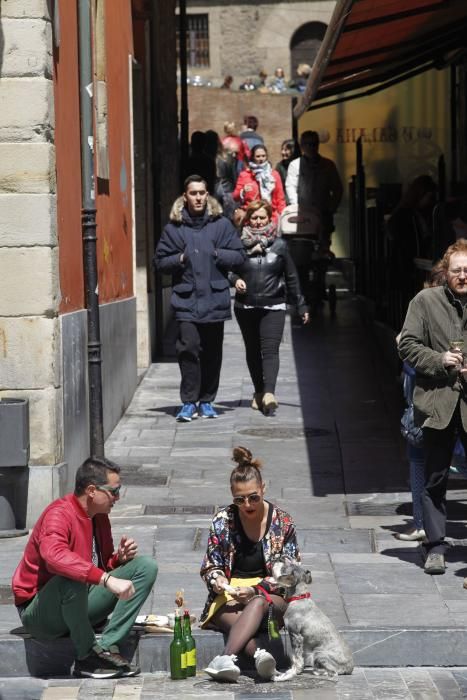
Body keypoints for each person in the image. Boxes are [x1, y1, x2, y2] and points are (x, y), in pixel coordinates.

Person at [11, 457, 158, 679]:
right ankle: (87, 656)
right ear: (91, 490)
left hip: (78, 599)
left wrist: (118, 560)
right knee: (73, 576)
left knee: (145, 566)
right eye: (114, 491)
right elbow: (54, 557)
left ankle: (108, 645)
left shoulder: (99, 517)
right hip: (40, 613)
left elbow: (99, 565)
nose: (117, 498)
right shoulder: (58, 514)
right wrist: (108, 580)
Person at [200, 446, 301, 682]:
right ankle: (259, 655)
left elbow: (289, 575)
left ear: (263, 489)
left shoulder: (283, 522)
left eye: (253, 497)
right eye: (239, 499)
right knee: (234, 618)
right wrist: (218, 581)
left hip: (270, 597)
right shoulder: (222, 521)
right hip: (230, 595)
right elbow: (210, 566)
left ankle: (224, 658)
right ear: (232, 496)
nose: (247, 505)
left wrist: (256, 590)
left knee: (257, 604)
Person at [398, 239, 467, 576]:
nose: (464, 276)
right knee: (435, 478)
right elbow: (407, 345)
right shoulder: (425, 302)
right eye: (457, 270)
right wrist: (440, 360)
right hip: (438, 404)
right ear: (446, 271)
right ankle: (435, 546)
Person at [154, 175, 246, 422]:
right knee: (189, 349)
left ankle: (207, 401)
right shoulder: (174, 228)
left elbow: (239, 256)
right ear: (185, 196)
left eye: (202, 193)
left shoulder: (222, 225)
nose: (198, 197)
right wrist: (180, 259)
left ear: (208, 195)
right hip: (186, 300)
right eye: (193, 193)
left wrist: (217, 253)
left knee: (213, 352)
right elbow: (160, 262)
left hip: (215, 299)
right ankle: (188, 402)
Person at [231, 200, 309, 414]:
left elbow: (291, 277)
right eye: (254, 218)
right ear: (248, 219)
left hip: (274, 305)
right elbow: (227, 269)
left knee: (270, 350)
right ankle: (258, 391)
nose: (257, 222)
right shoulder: (237, 243)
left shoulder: (280, 245)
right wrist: (234, 279)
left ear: (269, 218)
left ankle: (269, 393)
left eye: (262, 217)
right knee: (253, 350)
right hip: (245, 306)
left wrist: (301, 305)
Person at [286, 130, 343, 302]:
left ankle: (320, 284)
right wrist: (298, 208)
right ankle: (302, 288)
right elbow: (290, 187)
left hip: (323, 216)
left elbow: (338, 189)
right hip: (302, 219)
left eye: (314, 143)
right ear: (302, 146)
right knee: (302, 255)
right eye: (307, 144)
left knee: (322, 252)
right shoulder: (295, 165)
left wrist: (331, 208)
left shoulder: (328, 165)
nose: (311, 147)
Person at [387, 174, 437, 318]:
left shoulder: (414, 214)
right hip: (408, 267)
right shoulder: (407, 217)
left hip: (411, 266)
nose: (430, 201)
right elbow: (407, 245)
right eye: (428, 197)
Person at [233, 144, 286, 225]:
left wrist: (282, 216)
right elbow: (235, 197)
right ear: (253, 157)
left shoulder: (274, 175)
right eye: (258, 156)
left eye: (263, 156)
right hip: (250, 219)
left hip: (271, 218)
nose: (261, 159)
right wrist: (242, 191)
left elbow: (280, 198)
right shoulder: (244, 175)